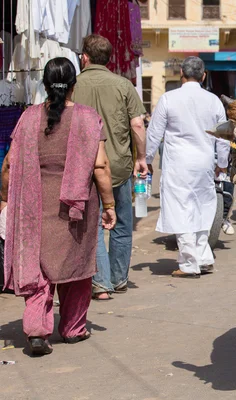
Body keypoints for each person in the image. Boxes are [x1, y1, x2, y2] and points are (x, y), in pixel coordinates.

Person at [1, 57, 116, 356]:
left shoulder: (28, 118)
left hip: (33, 208)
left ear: (45, 84)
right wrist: (109, 204)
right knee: (76, 267)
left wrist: (3, 199)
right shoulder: (88, 118)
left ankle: (37, 331)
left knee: (38, 270)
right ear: (73, 86)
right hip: (74, 210)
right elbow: (101, 166)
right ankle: (73, 329)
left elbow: (10, 163)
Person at [72, 34, 148, 300]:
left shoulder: (73, 84)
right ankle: (118, 279)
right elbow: (137, 124)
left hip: (83, 168)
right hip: (119, 166)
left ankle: (100, 283)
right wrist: (141, 158)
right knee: (122, 225)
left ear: (84, 57)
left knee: (92, 226)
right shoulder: (123, 85)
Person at [146, 56, 230, 278]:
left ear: (181, 72)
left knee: (180, 209)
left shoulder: (168, 99)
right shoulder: (214, 101)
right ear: (203, 76)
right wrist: (222, 164)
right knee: (203, 207)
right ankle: (203, 257)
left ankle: (189, 262)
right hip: (204, 163)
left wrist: (145, 159)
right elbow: (223, 137)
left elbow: (154, 134)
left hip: (178, 164)